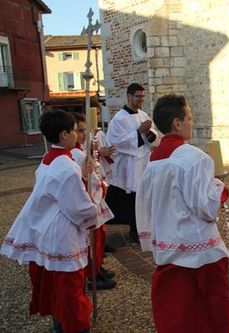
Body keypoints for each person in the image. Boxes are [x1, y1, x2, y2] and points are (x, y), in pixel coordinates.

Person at [136, 94, 229, 333]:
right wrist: (220, 186)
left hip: (168, 248)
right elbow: (206, 208)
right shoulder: (195, 158)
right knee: (211, 316)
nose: (192, 122)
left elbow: (149, 205)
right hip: (199, 253)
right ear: (177, 123)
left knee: (180, 315)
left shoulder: (153, 161)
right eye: (189, 118)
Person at [0, 110, 98, 333]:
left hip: (48, 231)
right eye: (74, 130)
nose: (77, 135)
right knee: (70, 292)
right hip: (63, 236)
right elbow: (78, 207)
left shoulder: (48, 160)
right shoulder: (66, 166)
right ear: (64, 134)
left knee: (58, 290)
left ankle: (60, 326)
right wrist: (95, 206)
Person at [70, 112, 116, 290]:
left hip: (96, 199)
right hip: (89, 200)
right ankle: (92, 274)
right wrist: (100, 187)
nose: (82, 135)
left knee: (99, 238)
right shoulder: (76, 154)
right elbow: (87, 178)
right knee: (92, 240)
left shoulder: (82, 150)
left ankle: (97, 268)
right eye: (79, 130)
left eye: (84, 130)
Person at [105, 83, 156, 243]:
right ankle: (132, 230)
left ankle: (140, 229)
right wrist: (138, 132)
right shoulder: (118, 119)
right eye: (137, 96)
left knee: (142, 197)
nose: (141, 99)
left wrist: (148, 133)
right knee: (129, 199)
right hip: (128, 166)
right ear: (129, 96)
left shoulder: (144, 115)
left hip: (143, 163)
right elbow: (117, 142)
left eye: (142, 96)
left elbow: (152, 136)